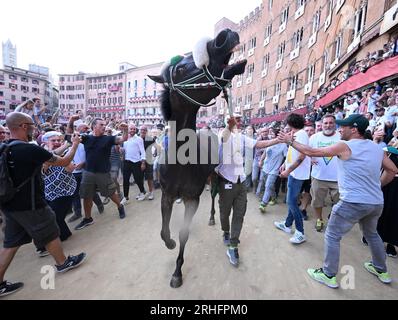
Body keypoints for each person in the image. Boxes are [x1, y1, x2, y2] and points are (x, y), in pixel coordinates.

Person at [278, 114, 398, 288]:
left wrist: (290, 141)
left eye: (344, 126)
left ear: (354, 129)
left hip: (352, 201)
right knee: (372, 234)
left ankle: (328, 274)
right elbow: (392, 170)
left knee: (332, 235)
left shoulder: (345, 145)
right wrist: (377, 186)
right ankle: (381, 269)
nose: (340, 129)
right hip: (375, 202)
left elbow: (312, 152)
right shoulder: (376, 148)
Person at [0, 112, 87, 297]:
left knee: (11, 244)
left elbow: (47, 156)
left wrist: (67, 143)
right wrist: (75, 145)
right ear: (23, 126)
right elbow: (63, 161)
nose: (34, 128)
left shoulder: (5, 147)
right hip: (31, 204)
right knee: (50, 232)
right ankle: (63, 263)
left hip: (10, 205)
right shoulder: (29, 149)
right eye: (31, 125)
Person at [216, 114, 282, 267]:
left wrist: (278, 140)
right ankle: (225, 231)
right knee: (224, 213)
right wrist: (228, 126)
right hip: (226, 181)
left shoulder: (242, 137)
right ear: (228, 121)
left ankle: (233, 245)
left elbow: (259, 144)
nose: (240, 122)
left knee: (239, 214)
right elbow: (224, 138)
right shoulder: (223, 134)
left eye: (240, 120)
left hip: (241, 183)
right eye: (236, 120)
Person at [74, 118, 128, 230]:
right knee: (87, 196)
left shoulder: (108, 139)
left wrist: (125, 129)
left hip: (103, 173)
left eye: (104, 124)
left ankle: (120, 206)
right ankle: (88, 218)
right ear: (94, 126)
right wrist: (72, 125)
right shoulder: (86, 137)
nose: (104, 126)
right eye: (101, 124)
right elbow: (74, 137)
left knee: (111, 193)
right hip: (88, 172)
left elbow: (123, 138)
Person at [274, 113, 311, 244]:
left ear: (290, 124)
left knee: (291, 202)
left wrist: (288, 170)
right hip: (293, 173)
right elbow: (292, 152)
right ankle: (288, 225)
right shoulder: (296, 134)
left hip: (297, 174)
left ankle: (300, 232)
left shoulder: (301, 135)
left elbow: (301, 156)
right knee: (292, 201)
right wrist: (284, 165)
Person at [66, 118, 104, 223]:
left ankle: (99, 204)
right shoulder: (70, 141)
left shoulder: (88, 142)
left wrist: (83, 164)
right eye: (83, 128)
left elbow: (93, 157)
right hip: (73, 173)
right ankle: (77, 213)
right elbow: (69, 131)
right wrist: (71, 120)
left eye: (86, 128)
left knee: (89, 191)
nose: (85, 130)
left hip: (85, 171)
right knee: (74, 193)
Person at [309, 115, 340, 232]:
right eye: (325, 123)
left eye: (331, 123)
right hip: (319, 176)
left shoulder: (341, 137)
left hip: (338, 178)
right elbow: (306, 151)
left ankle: (333, 218)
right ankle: (319, 219)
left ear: (335, 124)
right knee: (317, 201)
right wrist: (310, 157)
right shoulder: (314, 138)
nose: (328, 125)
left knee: (339, 203)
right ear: (321, 125)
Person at [258, 128, 287, 213]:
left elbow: (287, 157)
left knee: (268, 186)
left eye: (272, 134)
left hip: (274, 170)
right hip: (265, 168)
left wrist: (283, 164)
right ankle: (273, 197)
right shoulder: (269, 143)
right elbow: (265, 153)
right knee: (269, 185)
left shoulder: (283, 145)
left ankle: (263, 204)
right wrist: (261, 161)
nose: (270, 136)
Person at [120, 124, 147, 204]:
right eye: (131, 129)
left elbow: (142, 151)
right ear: (128, 130)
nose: (132, 130)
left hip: (136, 162)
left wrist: (143, 163)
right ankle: (125, 197)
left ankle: (143, 192)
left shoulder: (139, 139)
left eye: (134, 129)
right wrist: (121, 151)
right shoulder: (124, 139)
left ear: (136, 130)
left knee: (138, 179)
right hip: (126, 162)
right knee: (125, 180)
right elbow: (124, 149)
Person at [140, 125, 156, 200]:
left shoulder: (150, 139)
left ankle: (151, 192)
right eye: (142, 130)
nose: (143, 131)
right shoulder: (138, 139)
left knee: (149, 177)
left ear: (146, 131)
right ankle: (142, 192)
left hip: (148, 160)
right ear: (140, 130)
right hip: (139, 160)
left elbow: (155, 147)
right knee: (139, 177)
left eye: (144, 130)